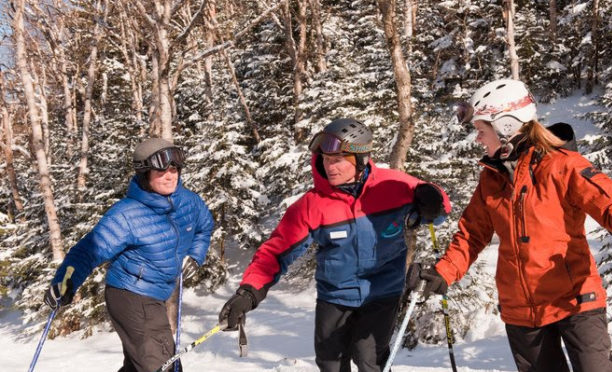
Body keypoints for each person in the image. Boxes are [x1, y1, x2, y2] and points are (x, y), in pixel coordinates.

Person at [405, 78, 612, 372]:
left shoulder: (563, 165)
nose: (478, 139)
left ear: (506, 126)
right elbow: (471, 235)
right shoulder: (491, 179)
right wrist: (442, 272)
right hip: (522, 312)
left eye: (481, 131)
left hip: (576, 301)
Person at [218, 118, 451, 372]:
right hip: (335, 296)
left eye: (337, 159)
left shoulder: (392, 185)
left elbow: (438, 212)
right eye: (326, 159)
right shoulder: (312, 205)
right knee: (330, 363)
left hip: (382, 292)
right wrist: (249, 292)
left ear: (359, 159)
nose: (330, 166)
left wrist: (433, 200)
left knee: (369, 359)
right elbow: (276, 252)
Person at [44, 138, 215, 372]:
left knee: (139, 366)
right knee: (164, 367)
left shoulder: (189, 202)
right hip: (131, 295)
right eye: (161, 170)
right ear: (145, 175)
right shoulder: (126, 215)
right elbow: (88, 250)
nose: (169, 175)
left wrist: (196, 255)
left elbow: (204, 227)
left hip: (157, 294)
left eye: (173, 169)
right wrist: (65, 282)